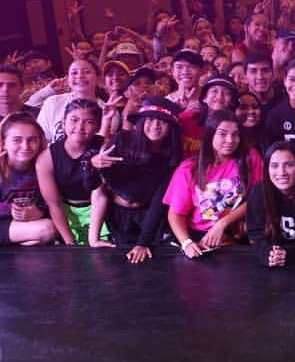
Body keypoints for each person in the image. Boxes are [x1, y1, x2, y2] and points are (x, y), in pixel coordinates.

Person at [90, 97, 183, 263]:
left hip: (148, 215)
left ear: (171, 128)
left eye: (162, 121)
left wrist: (143, 242)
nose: (155, 125)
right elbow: (93, 186)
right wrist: (94, 164)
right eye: (150, 119)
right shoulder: (121, 140)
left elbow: (159, 201)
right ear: (141, 122)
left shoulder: (171, 156)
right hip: (116, 215)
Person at [163, 109, 263, 258]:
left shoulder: (250, 158)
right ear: (210, 134)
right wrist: (187, 243)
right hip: (200, 236)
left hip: (236, 233)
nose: (230, 140)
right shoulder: (189, 169)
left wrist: (223, 223)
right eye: (222, 134)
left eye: (235, 134)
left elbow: (259, 196)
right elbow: (175, 214)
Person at [36, 98, 105, 245]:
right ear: (63, 123)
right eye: (74, 120)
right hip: (67, 212)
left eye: (89, 122)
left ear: (98, 126)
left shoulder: (104, 148)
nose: (80, 127)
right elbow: (54, 204)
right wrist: (70, 243)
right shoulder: (47, 158)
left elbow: (102, 194)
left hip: (102, 211)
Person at [0, 113, 55, 246]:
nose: (25, 146)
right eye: (17, 140)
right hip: (4, 223)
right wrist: (11, 211)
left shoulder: (44, 167)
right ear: (4, 143)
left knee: (49, 228)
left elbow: (54, 203)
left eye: (32, 140)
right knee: (46, 230)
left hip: (27, 226)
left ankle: (15, 243)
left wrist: (39, 211)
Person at [35, 58, 104, 141]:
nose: (80, 76)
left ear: (98, 78)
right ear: (67, 79)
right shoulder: (53, 102)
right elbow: (40, 138)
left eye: (87, 72)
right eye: (74, 73)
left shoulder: (106, 110)